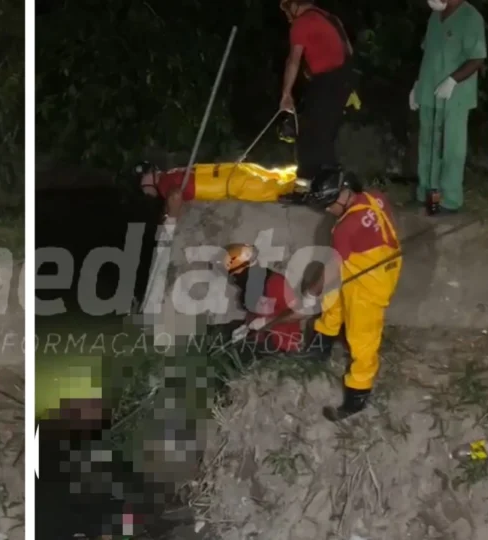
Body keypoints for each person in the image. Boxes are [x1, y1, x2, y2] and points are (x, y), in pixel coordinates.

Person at [300, 168, 402, 421]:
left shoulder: (345, 228)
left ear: (341, 196)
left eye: (327, 205)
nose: (326, 211)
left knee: (362, 336)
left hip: (372, 279)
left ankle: (358, 394)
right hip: (374, 260)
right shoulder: (374, 196)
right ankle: (319, 348)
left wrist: (311, 292)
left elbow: (331, 269)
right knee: (333, 301)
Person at [409, 0, 486, 215]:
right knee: (427, 144)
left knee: (451, 147)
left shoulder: (471, 17)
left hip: (455, 95)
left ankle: (450, 199)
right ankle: (426, 193)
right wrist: (417, 84)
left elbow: (477, 58)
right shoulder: (435, 17)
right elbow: (429, 53)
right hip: (428, 91)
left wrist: (452, 80)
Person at [278, 0, 355, 182]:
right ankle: (325, 183)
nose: (287, 17)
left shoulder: (302, 23)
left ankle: (309, 183)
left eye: (287, 11)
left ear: (294, 5)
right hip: (345, 77)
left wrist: (286, 94)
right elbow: (348, 50)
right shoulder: (329, 17)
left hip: (328, 80)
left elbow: (293, 60)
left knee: (310, 133)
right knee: (325, 133)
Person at [214, 243, 304, 360]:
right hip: (260, 341)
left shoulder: (276, 283)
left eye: (236, 275)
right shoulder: (252, 285)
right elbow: (258, 310)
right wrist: (246, 327)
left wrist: (267, 321)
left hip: (281, 347)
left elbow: (299, 313)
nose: (235, 280)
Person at [135, 161, 308, 209]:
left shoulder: (164, 184)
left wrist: (171, 216)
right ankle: (308, 170)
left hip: (232, 184)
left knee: (276, 190)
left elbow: (175, 195)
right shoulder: (170, 173)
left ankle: (313, 184)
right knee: (276, 175)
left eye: (142, 183)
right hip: (233, 170)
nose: (144, 190)